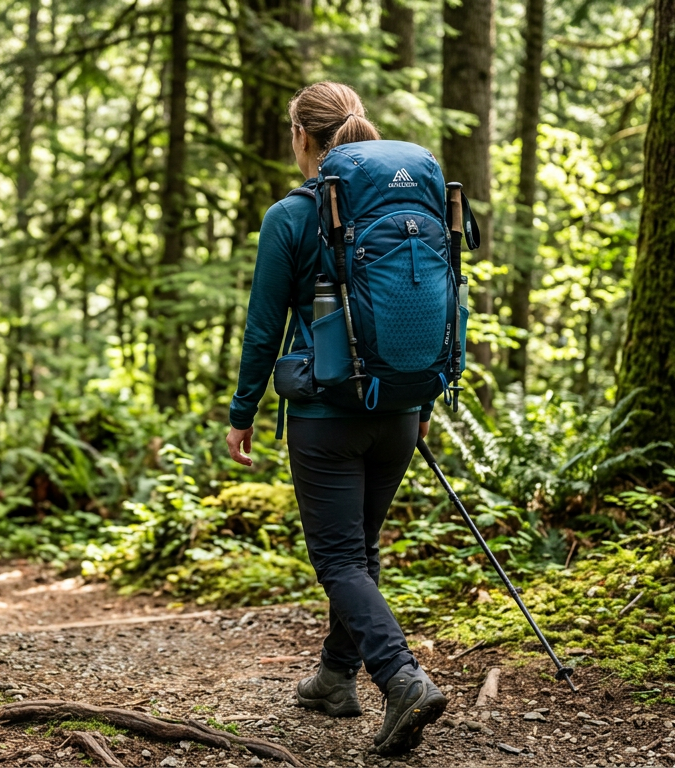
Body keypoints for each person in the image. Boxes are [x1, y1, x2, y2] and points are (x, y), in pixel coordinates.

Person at [224, 81, 447, 756]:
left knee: (340, 558)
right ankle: (332, 678)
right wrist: (425, 402)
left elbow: (264, 328)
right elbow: (437, 303)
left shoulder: (290, 217)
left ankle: (401, 678)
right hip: (402, 408)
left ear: (301, 137)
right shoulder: (407, 207)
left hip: (327, 415)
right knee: (362, 550)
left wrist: (243, 412)